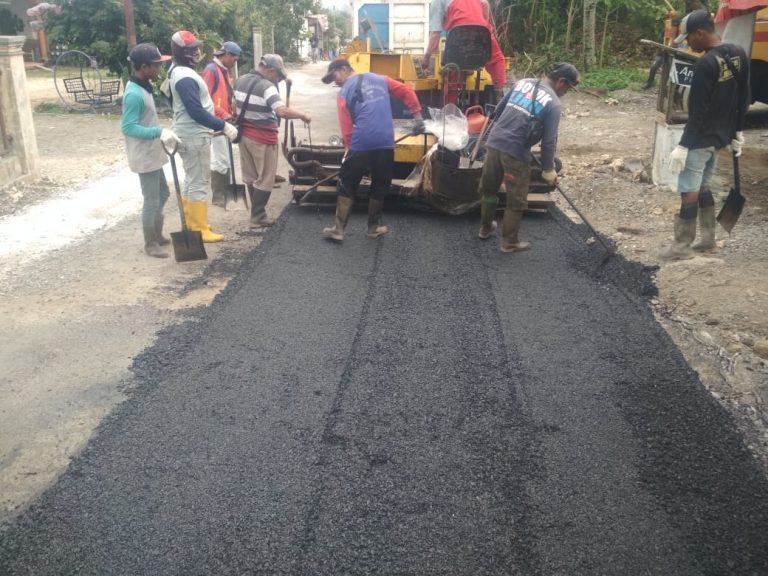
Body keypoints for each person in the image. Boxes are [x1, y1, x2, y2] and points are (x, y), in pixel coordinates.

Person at [664, 9, 750, 260]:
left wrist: (683, 145)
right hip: (721, 137)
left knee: (688, 189)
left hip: (700, 139)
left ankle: (681, 247)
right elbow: (744, 97)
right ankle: (708, 241)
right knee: (702, 185)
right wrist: (737, 131)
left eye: (689, 38)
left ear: (700, 33)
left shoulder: (705, 64)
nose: (688, 44)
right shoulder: (739, 54)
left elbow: (697, 112)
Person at [476, 63, 580, 253]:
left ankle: (485, 228)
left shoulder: (522, 82)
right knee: (516, 200)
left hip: (494, 142)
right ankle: (510, 242)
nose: (566, 92)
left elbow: (498, 110)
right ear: (561, 82)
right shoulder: (554, 104)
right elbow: (548, 142)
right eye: (568, 88)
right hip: (515, 153)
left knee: (489, 190)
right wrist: (548, 169)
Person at [320, 59, 424, 242]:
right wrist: (418, 119)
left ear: (344, 69)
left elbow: (347, 129)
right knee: (380, 184)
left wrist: (349, 151)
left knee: (347, 183)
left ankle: (338, 229)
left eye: (334, 76)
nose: (335, 82)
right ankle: (373, 228)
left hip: (361, 142)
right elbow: (407, 91)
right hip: (385, 141)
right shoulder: (381, 79)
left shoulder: (344, 92)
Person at [168, 30, 238, 243]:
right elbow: (196, 111)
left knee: (191, 180)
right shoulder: (184, 77)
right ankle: (200, 229)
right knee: (198, 182)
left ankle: (192, 222)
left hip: (189, 134)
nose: (197, 52)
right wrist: (222, 125)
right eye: (192, 49)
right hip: (194, 137)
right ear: (181, 51)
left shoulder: (178, 71)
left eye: (196, 48)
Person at [233, 54, 311, 229]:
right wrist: (302, 115)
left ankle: (255, 212)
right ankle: (258, 216)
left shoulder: (240, 80)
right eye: (277, 75)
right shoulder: (267, 86)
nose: (277, 79)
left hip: (244, 136)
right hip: (263, 138)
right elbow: (281, 111)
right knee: (266, 178)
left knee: (251, 176)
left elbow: (233, 107)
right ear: (270, 70)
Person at [121, 43, 180, 259]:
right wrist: (158, 132)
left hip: (152, 152)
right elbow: (128, 127)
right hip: (144, 155)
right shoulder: (134, 94)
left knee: (163, 193)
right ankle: (150, 243)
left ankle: (157, 233)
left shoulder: (143, 86)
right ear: (143, 67)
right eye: (155, 66)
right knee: (152, 199)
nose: (158, 70)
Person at [420, 0, 507, 100]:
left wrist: (426, 58)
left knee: (454, 69)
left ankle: (449, 108)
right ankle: (499, 96)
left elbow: (435, 34)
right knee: (497, 59)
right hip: (481, 32)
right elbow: (485, 4)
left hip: (460, 37)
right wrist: (483, 25)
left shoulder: (437, 2)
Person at [201, 40, 242, 207]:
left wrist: (231, 111)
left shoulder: (223, 71)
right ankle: (219, 196)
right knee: (221, 159)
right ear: (226, 55)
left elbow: (224, 95)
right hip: (215, 122)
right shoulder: (211, 71)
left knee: (224, 157)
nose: (235, 62)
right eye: (234, 58)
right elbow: (205, 100)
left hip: (224, 120)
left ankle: (223, 193)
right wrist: (222, 114)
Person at [643, 0, 708, 90]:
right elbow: (668, 37)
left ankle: (668, 88)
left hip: (683, 51)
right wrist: (668, 46)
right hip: (669, 48)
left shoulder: (695, 19)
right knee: (656, 66)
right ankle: (650, 83)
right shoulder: (676, 20)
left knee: (674, 72)